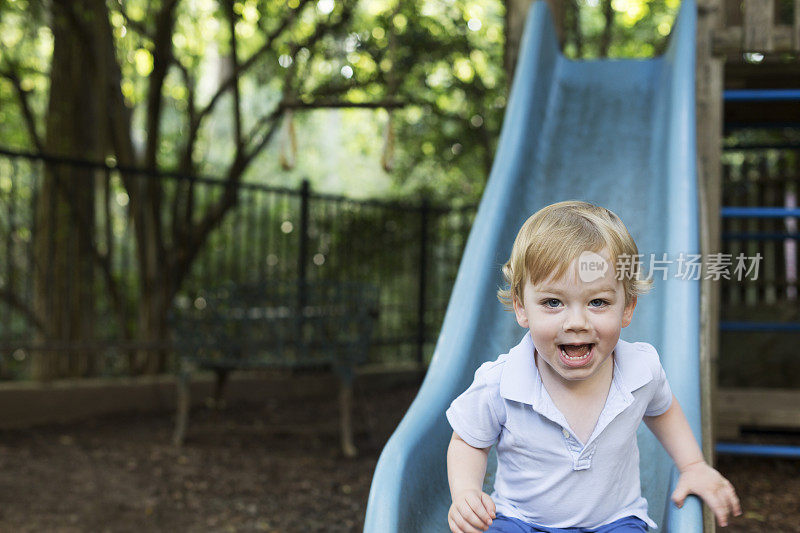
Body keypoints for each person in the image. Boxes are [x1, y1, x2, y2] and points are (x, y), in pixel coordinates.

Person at [445, 201, 741, 533]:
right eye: (552, 302)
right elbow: (469, 440)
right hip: (520, 520)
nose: (576, 322)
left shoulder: (640, 370)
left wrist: (693, 465)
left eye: (597, 302)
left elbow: (663, 409)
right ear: (521, 307)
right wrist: (466, 492)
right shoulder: (500, 381)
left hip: (614, 521)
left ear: (627, 307)